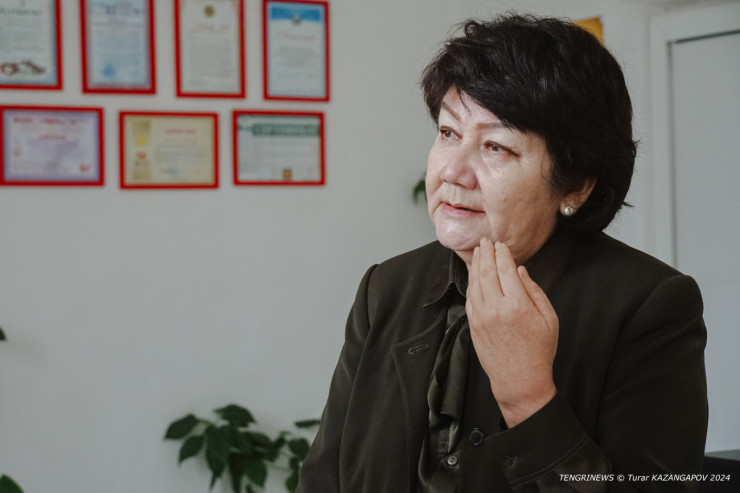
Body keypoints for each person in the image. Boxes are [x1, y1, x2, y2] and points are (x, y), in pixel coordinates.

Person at [296, 13, 708, 493]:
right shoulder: (386, 288)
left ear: (574, 184)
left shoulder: (648, 307)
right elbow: (323, 479)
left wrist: (528, 399)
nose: (453, 172)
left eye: (495, 147)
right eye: (449, 133)